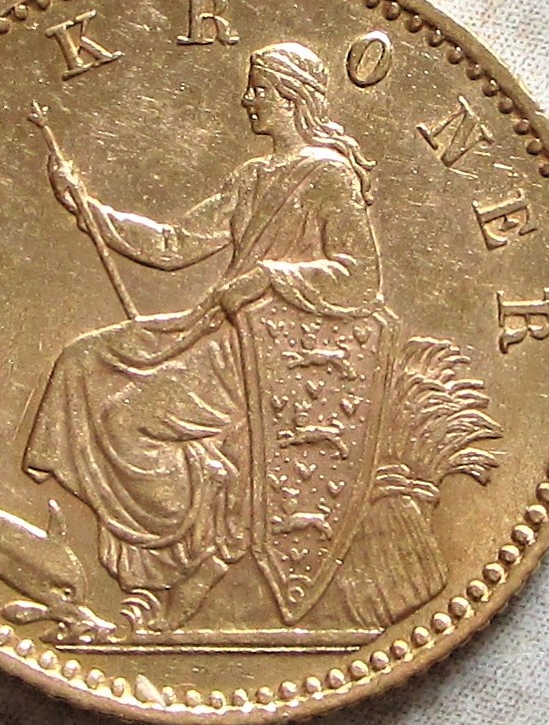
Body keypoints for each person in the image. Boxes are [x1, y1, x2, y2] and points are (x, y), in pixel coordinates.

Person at [23, 42, 386, 630]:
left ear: (290, 97)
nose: (247, 100)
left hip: (267, 350)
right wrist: (88, 208)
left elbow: (360, 278)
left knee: (126, 419)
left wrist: (270, 277)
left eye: (258, 90)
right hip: (215, 327)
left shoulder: (328, 175)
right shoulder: (253, 176)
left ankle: (196, 545)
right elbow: (174, 245)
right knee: (83, 357)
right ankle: (189, 514)